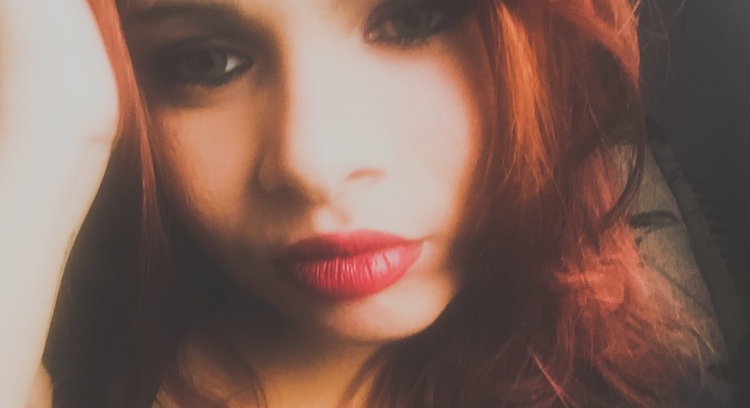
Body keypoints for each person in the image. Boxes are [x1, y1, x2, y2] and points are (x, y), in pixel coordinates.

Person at [0, 0, 732, 407]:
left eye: (413, 19)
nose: (313, 163)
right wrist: (42, 130)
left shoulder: (642, 392)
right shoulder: (59, 339)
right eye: (206, 62)